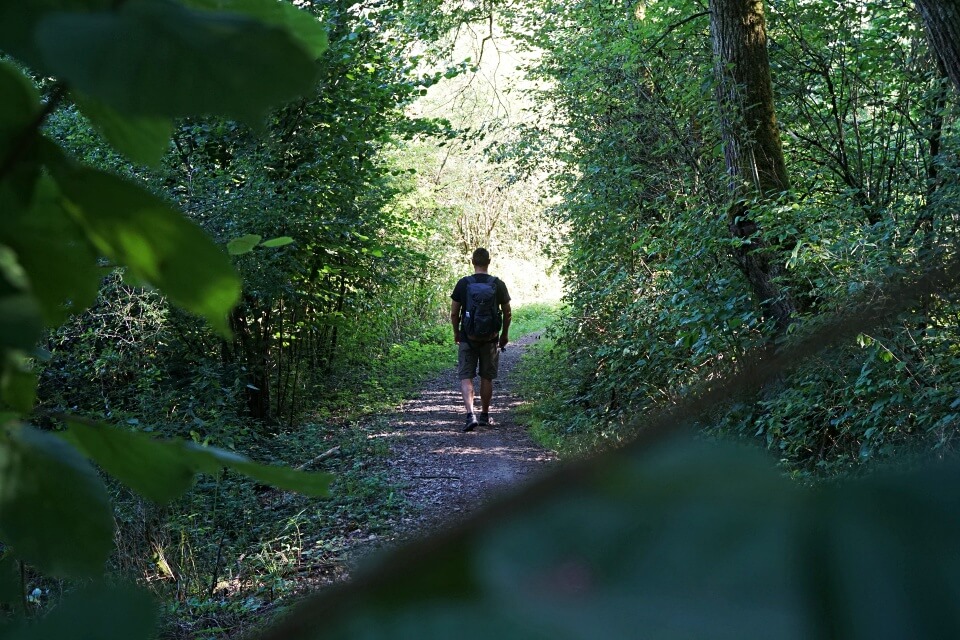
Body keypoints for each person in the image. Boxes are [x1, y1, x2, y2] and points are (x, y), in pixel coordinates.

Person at [450, 247, 512, 432]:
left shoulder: (463, 284)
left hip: (468, 338)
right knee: (487, 377)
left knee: (466, 376)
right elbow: (507, 312)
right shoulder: (497, 284)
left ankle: (470, 415)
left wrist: (457, 333)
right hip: (491, 339)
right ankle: (485, 415)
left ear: (472, 262)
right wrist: (504, 334)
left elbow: (454, 313)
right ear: (489, 262)